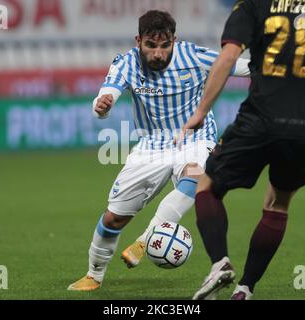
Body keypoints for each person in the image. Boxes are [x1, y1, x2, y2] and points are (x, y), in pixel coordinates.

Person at [180, 0, 305, 300]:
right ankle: (246, 288)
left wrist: (200, 111)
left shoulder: (251, 7)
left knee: (207, 185)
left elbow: (228, 57)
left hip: (260, 119)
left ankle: (220, 263)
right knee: (277, 205)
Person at [67, 10, 251, 291]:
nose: (158, 53)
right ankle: (94, 274)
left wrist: (293, 70)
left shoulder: (192, 56)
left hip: (196, 137)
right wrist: (101, 106)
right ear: (139, 41)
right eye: (151, 46)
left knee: (195, 180)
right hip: (151, 145)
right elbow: (106, 95)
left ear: (174, 41)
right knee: (113, 218)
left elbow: (240, 65)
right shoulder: (126, 63)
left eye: (165, 46)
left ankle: (145, 240)